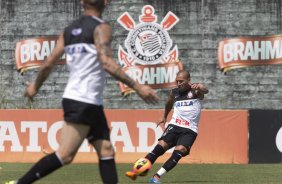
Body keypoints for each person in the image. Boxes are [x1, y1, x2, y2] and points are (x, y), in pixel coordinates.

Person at [5, 0, 159, 184]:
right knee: (65, 155)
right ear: (106, 2)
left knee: (106, 150)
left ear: (81, 2)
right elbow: (106, 62)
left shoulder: (69, 30)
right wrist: (138, 86)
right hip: (83, 101)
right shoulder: (101, 28)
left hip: (85, 101)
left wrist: (34, 87)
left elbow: (48, 63)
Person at [126, 70, 208, 184]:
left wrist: (200, 86)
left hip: (190, 129)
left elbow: (205, 91)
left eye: (181, 81)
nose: (178, 83)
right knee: (160, 147)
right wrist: (164, 116)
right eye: (177, 81)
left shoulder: (195, 90)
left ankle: (156, 177)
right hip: (174, 126)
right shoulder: (174, 92)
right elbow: (169, 103)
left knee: (180, 151)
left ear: (188, 80)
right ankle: (136, 171)